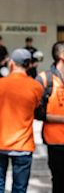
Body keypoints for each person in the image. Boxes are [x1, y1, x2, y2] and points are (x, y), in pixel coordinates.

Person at [0, 49, 44, 193]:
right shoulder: (36, 87)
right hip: (23, 145)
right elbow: (36, 108)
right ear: (28, 65)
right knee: (20, 189)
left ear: (11, 64)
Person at [35, 41, 64, 193]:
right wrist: (61, 119)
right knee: (59, 180)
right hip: (55, 142)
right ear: (62, 56)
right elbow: (36, 112)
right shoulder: (45, 79)